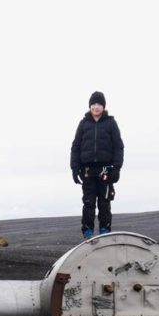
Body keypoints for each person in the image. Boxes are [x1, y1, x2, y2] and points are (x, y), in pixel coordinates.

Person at [70, 91, 124, 239]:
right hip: (87, 170)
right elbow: (75, 147)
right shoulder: (83, 124)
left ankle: (105, 231)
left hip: (106, 170)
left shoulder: (111, 123)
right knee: (88, 202)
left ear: (104, 106)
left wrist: (116, 169)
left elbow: (118, 147)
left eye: (99, 104)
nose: (96, 107)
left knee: (104, 202)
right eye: (93, 104)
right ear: (89, 106)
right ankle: (88, 232)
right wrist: (74, 168)